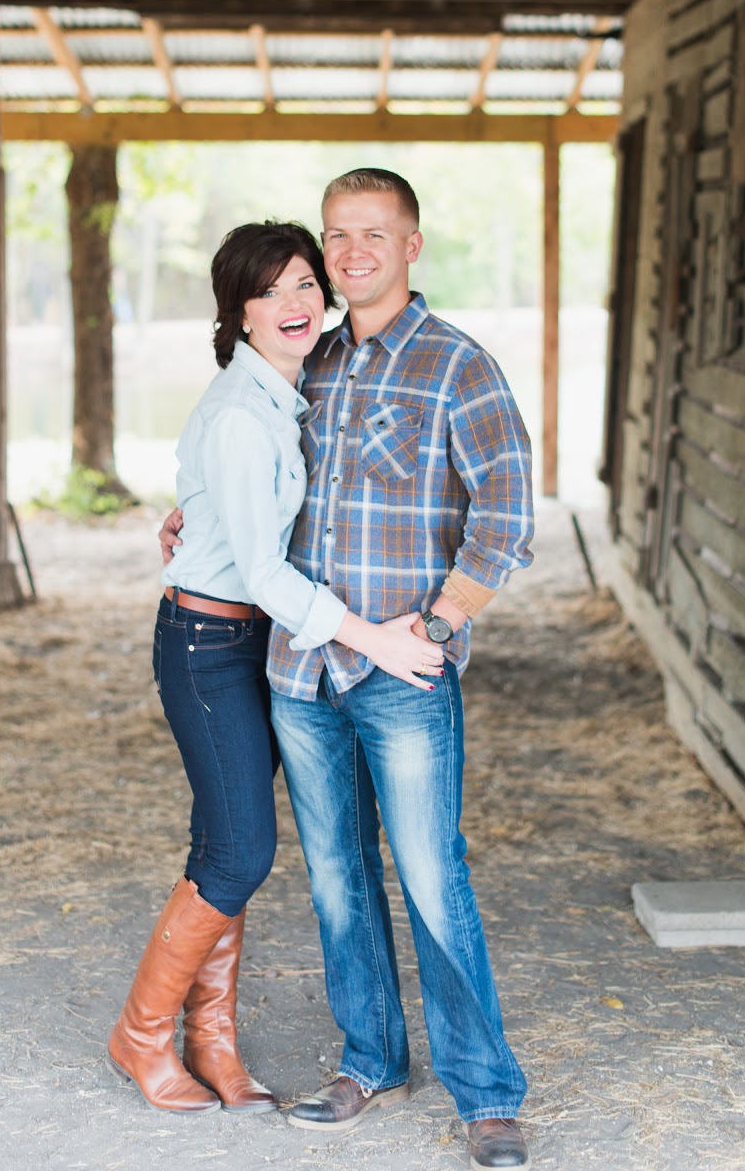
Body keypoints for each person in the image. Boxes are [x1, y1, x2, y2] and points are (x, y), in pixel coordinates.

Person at [162, 170, 535, 1170]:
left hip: (403, 673)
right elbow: (244, 473)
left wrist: (441, 623)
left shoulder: (460, 366)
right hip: (300, 671)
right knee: (336, 879)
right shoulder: (306, 357)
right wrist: (193, 520)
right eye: (337, 234)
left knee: (432, 878)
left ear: (412, 245)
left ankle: (487, 1094)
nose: (352, 252)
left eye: (374, 233)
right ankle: (370, 1060)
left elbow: (507, 517)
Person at [108, 220, 445, 1118]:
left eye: (303, 283)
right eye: (268, 291)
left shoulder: (287, 392)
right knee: (243, 852)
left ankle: (212, 1041)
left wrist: (190, 510)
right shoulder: (240, 411)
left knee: (220, 842)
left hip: (246, 642)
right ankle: (141, 1034)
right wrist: (375, 639)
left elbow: (231, 505)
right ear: (239, 313)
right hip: (208, 646)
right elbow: (260, 572)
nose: (292, 302)